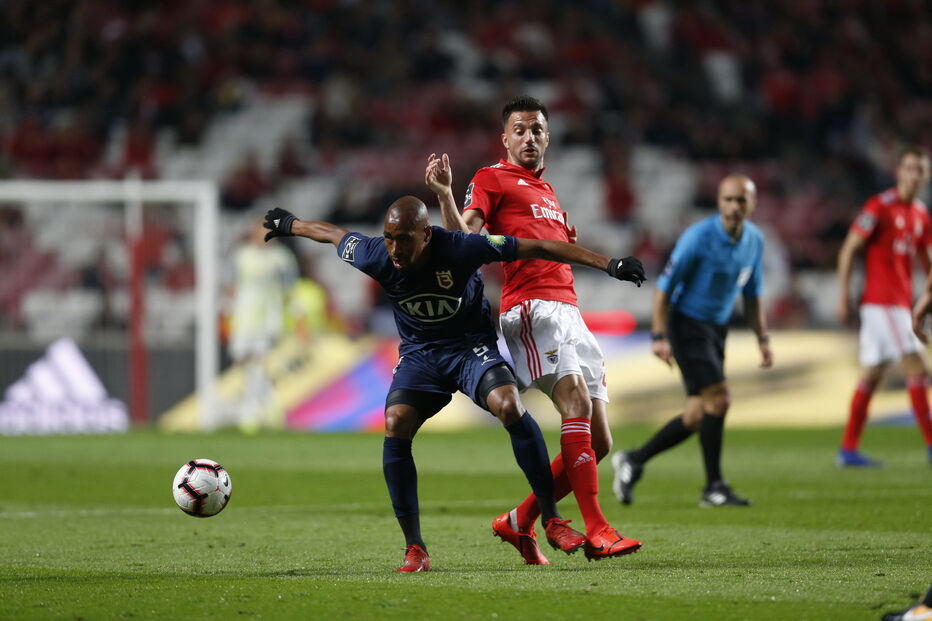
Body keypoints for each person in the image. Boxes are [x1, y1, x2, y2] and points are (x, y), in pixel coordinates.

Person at [261, 196, 645, 572]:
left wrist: (609, 264)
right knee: (395, 423)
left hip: (469, 350)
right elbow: (333, 234)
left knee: (509, 405)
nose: (395, 248)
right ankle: (415, 548)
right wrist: (290, 225)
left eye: (404, 238)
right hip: (420, 356)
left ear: (426, 234)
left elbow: (540, 245)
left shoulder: (461, 247)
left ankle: (551, 519)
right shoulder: (375, 253)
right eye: (389, 237)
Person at [426, 94, 641, 565]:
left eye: (537, 130)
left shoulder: (547, 191)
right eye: (520, 130)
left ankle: (518, 520)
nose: (529, 137)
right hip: (532, 311)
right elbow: (464, 241)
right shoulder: (490, 178)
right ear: (504, 138)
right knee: (576, 404)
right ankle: (598, 529)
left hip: (570, 310)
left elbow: (552, 245)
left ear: (548, 137)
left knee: (601, 441)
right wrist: (445, 194)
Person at [611, 175, 773, 507]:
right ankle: (714, 487)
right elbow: (664, 289)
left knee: (697, 414)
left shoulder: (755, 241)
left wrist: (763, 338)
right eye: (728, 199)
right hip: (686, 324)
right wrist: (659, 335)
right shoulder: (698, 238)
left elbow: (753, 296)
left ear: (752, 204)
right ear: (718, 201)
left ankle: (634, 459)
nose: (734, 207)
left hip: (717, 328)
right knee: (721, 398)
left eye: (741, 200)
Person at [835, 146, 932, 467]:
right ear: (899, 172)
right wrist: (842, 294)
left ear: (926, 176)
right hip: (881, 302)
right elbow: (849, 248)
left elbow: (927, 262)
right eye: (909, 168)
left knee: (872, 375)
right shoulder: (879, 206)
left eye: (920, 170)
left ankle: (848, 449)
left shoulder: (921, 214)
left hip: (900, 303)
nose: (914, 175)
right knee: (918, 367)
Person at [227, 219, 298, 431]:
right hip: (242, 321)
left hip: (269, 322)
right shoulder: (241, 256)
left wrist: (296, 320)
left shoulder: (282, 259)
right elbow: (231, 287)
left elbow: (290, 291)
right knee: (245, 365)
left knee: (259, 365)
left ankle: (250, 416)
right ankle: (269, 409)